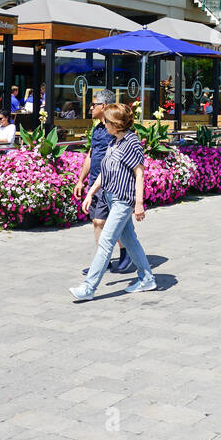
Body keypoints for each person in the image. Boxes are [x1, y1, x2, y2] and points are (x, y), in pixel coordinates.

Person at [71, 103, 158, 300]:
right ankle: (147, 278)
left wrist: (139, 203)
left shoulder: (131, 143)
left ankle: (88, 288)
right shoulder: (114, 142)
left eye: (108, 121)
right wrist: (90, 193)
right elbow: (104, 171)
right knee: (130, 241)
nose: (105, 124)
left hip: (123, 201)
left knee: (106, 241)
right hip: (111, 198)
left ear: (117, 124)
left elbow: (139, 174)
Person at [71, 90, 132, 275]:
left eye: (94, 104)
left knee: (109, 221)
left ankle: (124, 253)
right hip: (95, 182)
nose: (90, 107)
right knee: (98, 222)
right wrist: (81, 180)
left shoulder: (115, 130)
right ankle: (103, 261)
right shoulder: (98, 129)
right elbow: (91, 155)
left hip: (111, 183)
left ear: (103, 106)